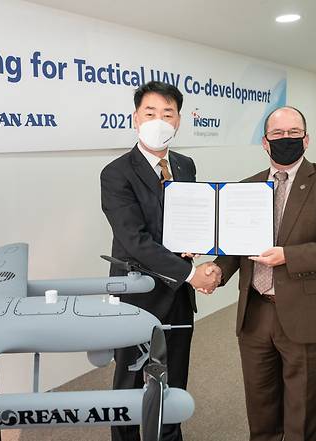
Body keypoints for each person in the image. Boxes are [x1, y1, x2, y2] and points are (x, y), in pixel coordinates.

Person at [213, 106, 316, 441]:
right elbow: (235, 246)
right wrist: (216, 269)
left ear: (306, 138)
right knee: (260, 403)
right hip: (255, 311)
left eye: (293, 133)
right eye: (278, 134)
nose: (286, 139)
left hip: (307, 311)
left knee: (303, 406)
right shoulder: (246, 187)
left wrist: (290, 256)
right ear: (265, 143)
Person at [100, 81, 220, 441]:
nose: (159, 120)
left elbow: (188, 219)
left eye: (167, 113)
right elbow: (134, 239)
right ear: (136, 118)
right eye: (150, 112)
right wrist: (190, 273)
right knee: (130, 381)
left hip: (178, 297)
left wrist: (195, 245)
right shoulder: (116, 173)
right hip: (138, 294)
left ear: (178, 120)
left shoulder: (185, 164)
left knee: (175, 378)